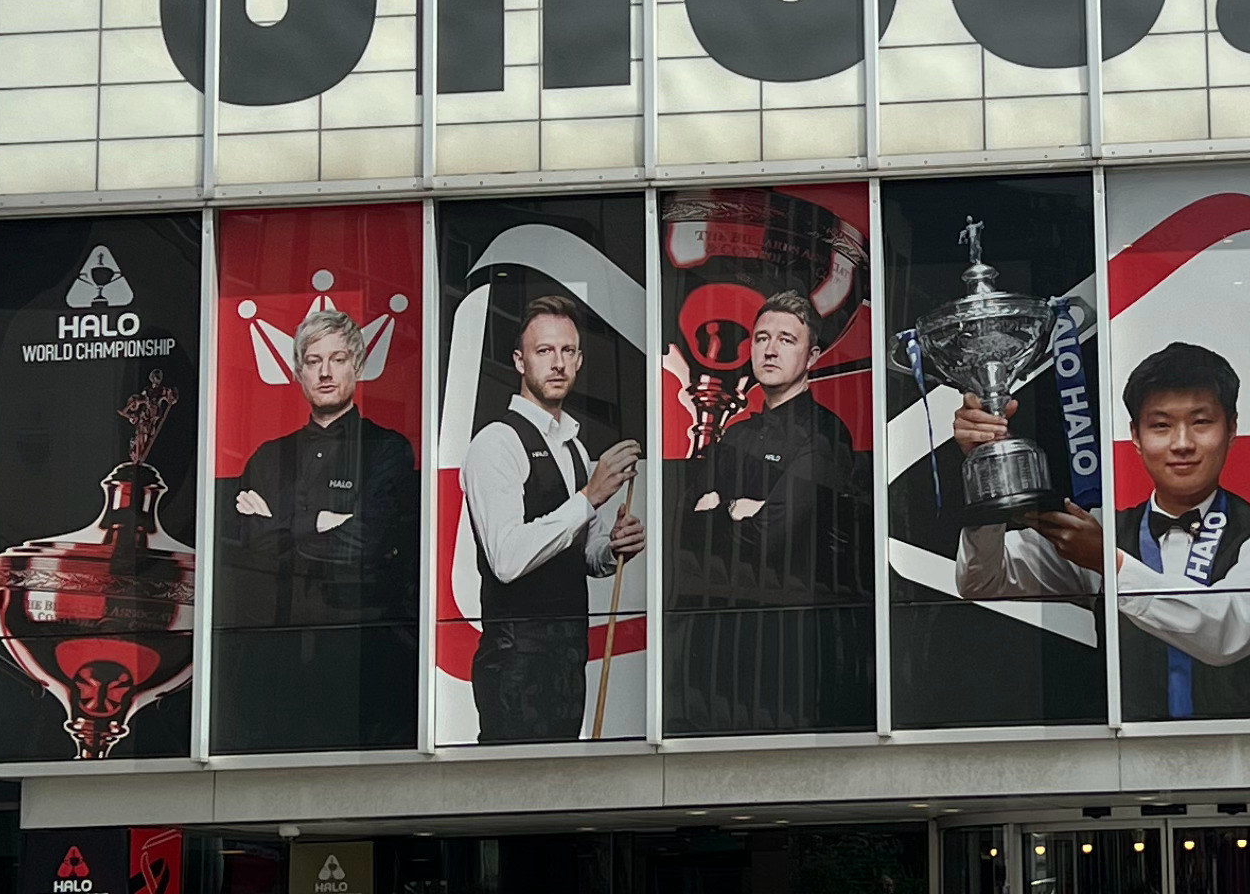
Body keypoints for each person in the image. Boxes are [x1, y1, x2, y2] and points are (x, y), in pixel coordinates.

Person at [953, 343, 1250, 719]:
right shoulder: (1099, 530)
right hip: (1125, 751)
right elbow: (982, 580)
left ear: (1231, 428)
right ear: (1135, 435)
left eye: (1201, 422)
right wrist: (986, 466)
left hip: (1244, 751)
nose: (1182, 444)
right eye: (1161, 425)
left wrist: (1110, 563)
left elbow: (1227, 633)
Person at [218, 302, 420, 750]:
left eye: (337, 359)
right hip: (272, 661)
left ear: (357, 367)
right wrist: (320, 523)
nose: (325, 372)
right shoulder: (268, 457)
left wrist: (279, 525)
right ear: (298, 373)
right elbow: (244, 544)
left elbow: (365, 543)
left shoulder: (386, 449)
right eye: (313, 361)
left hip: (361, 658)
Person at [672, 292, 876, 735]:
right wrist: (738, 511)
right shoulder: (735, 436)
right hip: (724, 644)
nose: (769, 349)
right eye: (762, 338)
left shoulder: (825, 435)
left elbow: (772, 535)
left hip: (794, 647)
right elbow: (686, 531)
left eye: (786, 339)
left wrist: (720, 509)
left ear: (812, 356)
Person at [462, 291, 645, 745]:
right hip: (514, 664)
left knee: (564, 782)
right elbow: (506, 559)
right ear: (519, 361)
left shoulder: (575, 448)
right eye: (544, 350)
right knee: (515, 785)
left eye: (567, 351)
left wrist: (612, 547)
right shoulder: (496, 442)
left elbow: (585, 553)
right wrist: (589, 497)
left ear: (580, 360)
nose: (558, 363)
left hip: (567, 660)